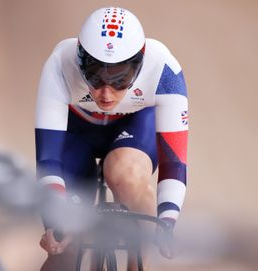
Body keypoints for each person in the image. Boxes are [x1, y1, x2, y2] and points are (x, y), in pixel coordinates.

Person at [35, 6, 188, 270]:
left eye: (120, 80)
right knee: (63, 254)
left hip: (132, 128)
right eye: (95, 79)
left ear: (139, 65)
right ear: (80, 61)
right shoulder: (60, 63)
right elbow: (48, 160)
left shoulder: (164, 69)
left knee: (125, 175)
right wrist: (56, 225)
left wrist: (168, 220)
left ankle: (139, 263)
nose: (106, 94)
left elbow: (174, 162)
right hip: (76, 133)